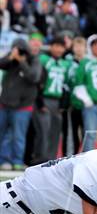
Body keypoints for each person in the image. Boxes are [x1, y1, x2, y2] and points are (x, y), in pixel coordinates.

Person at [0, 39, 41, 170]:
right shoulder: (11, 58)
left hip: (23, 106)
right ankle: (4, 161)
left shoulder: (33, 60)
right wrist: (12, 57)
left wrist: (22, 61)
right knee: (4, 135)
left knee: (18, 136)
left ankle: (17, 161)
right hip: (5, 104)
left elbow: (34, 76)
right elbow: (1, 64)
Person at [32, 36, 70, 164]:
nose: (59, 49)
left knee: (55, 132)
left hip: (57, 101)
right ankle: (39, 159)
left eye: (62, 47)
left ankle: (51, 161)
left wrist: (63, 104)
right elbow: (37, 82)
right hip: (44, 99)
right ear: (51, 46)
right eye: (57, 46)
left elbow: (66, 86)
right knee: (43, 131)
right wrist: (40, 101)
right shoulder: (44, 59)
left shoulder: (65, 63)